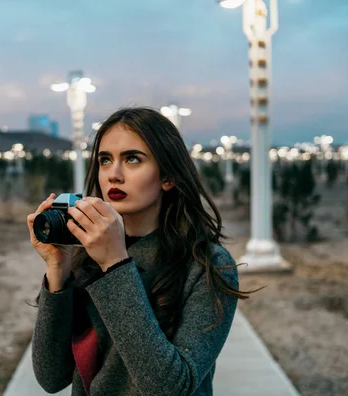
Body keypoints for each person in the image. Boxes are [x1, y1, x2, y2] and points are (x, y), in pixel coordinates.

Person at [27, 107, 252, 396]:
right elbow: (51, 377)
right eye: (105, 160)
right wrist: (58, 271)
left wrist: (116, 266)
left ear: (168, 176)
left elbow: (170, 388)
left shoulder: (207, 265)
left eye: (133, 159)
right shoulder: (87, 256)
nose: (113, 175)